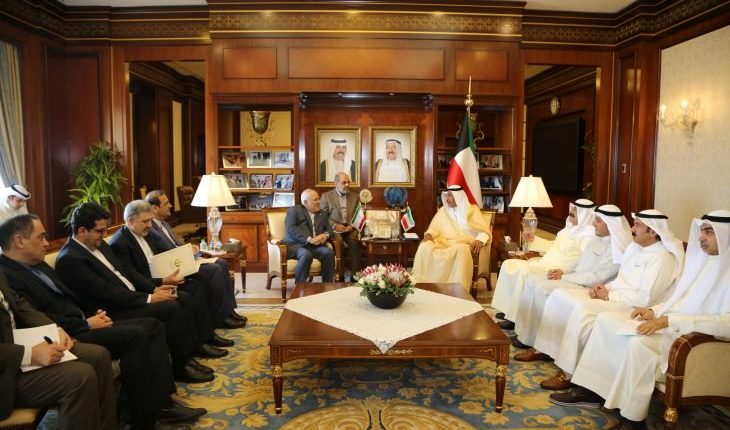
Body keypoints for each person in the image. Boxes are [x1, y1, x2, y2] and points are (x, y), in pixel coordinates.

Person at [0, 214, 206, 429]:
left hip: (77, 323)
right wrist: (84, 324)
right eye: (41, 237)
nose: (46, 243)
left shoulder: (37, 264)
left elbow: (64, 301)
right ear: (19, 241)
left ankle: (158, 404)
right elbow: (36, 315)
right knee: (140, 333)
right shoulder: (11, 272)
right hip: (64, 334)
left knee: (151, 326)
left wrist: (92, 315)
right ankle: (145, 415)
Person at [564, 210, 730, 430]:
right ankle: (593, 390)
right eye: (702, 232)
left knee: (637, 344)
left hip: (696, 342)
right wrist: (653, 311)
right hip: (675, 328)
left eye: (709, 232)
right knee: (606, 324)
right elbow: (678, 301)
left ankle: (632, 419)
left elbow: (725, 323)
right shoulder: (705, 263)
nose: (701, 238)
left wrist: (669, 321)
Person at [54, 202, 216, 383]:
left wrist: (154, 287)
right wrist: (149, 298)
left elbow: (126, 272)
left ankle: (188, 356)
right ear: (82, 231)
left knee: (177, 296)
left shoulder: (98, 244)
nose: (104, 235)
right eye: (100, 231)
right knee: (169, 307)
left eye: (105, 230)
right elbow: (107, 292)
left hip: (129, 297)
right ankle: (181, 366)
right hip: (110, 311)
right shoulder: (70, 259)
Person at [532, 209, 685, 391]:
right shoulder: (634, 248)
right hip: (616, 298)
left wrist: (609, 295)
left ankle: (568, 374)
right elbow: (620, 280)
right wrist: (604, 288)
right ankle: (560, 360)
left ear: (653, 231)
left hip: (633, 307)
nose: (632, 229)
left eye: (637, 225)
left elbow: (645, 298)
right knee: (571, 303)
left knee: (583, 311)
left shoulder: (663, 258)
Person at [108, 200, 233, 353]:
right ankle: (195, 346)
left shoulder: (145, 233)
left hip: (161, 278)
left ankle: (206, 336)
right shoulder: (120, 243)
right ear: (131, 221)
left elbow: (165, 254)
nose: (150, 225)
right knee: (184, 296)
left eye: (150, 220)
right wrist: (160, 283)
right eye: (145, 221)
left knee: (197, 285)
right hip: (147, 287)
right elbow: (133, 276)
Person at [512, 204, 632, 358]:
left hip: (587, 287)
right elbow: (578, 262)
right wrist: (563, 271)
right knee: (533, 281)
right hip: (575, 279)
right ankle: (527, 335)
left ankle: (543, 347)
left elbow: (596, 278)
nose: (593, 224)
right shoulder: (596, 240)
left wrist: (564, 277)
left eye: (598, 221)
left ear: (611, 224)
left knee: (544, 289)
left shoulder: (617, 249)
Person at [0, 274, 116, 430]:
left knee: (98, 356)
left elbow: (21, 306)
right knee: (80, 376)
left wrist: (56, 330)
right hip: (5, 370)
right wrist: (29, 354)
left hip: (17, 346)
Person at [145, 190, 246, 329]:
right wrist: (186, 253)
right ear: (155, 208)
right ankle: (220, 317)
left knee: (222, 263)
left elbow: (175, 245)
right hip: (176, 267)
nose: (171, 206)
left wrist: (188, 248)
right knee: (215, 269)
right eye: (166, 203)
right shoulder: (150, 229)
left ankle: (228, 311)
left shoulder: (165, 224)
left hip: (185, 259)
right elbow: (165, 254)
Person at [492, 199, 597, 328]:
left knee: (525, 272)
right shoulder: (568, 229)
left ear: (585, 214)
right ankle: (508, 309)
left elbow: (583, 260)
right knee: (509, 264)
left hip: (556, 269)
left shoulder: (588, 236)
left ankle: (515, 318)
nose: (571, 212)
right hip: (544, 262)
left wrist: (564, 272)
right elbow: (553, 245)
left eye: (575, 211)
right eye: (572, 209)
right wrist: (533, 239)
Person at [411, 186, 491, 291]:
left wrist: (480, 239)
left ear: (459, 197)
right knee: (424, 246)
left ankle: (457, 289)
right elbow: (434, 229)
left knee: (462, 250)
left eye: (450, 196)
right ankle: (422, 285)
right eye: (446, 196)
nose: (447, 199)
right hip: (443, 242)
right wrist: (429, 235)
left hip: (463, 243)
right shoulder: (443, 211)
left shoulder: (472, 211)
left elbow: (484, 231)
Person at [283, 189, 335, 283]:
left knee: (328, 252)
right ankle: (300, 287)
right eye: (315, 200)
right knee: (306, 254)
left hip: (314, 246)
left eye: (318, 199)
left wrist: (325, 235)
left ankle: (327, 285)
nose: (318, 202)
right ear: (305, 202)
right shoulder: (294, 210)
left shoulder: (322, 213)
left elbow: (329, 229)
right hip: (296, 245)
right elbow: (290, 229)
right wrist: (309, 239)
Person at [320, 172, 363, 280]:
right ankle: (340, 274)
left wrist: (352, 226)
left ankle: (355, 276)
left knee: (355, 240)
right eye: (344, 182)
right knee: (338, 242)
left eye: (348, 182)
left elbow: (359, 214)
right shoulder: (326, 196)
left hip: (350, 228)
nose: (347, 185)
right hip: (335, 229)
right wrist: (334, 225)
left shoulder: (355, 197)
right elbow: (322, 216)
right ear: (336, 183)